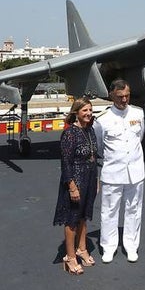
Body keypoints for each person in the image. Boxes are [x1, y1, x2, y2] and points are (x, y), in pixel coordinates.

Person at [94, 80, 145, 263]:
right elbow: (99, 147)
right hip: (113, 172)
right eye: (120, 96)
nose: (124, 100)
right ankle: (108, 247)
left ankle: (131, 246)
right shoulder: (101, 120)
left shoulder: (138, 113)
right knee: (109, 211)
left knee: (134, 210)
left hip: (135, 172)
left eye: (127, 96)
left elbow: (139, 138)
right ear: (111, 96)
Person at [55, 98, 99, 275]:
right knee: (72, 218)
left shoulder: (91, 131)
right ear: (76, 113)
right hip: (76, 179)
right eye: (84, 111)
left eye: (90, 110)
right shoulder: (70, 134)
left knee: (84, 216)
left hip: (90, 178)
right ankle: (70, 256)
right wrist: (72, 186)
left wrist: (96, 181)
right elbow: (66, 163)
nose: (88, 113)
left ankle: (82, 249)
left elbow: (94, 157)